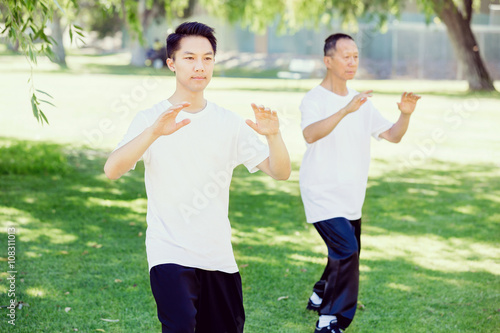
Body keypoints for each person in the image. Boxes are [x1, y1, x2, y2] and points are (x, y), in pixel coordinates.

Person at [104, 22, 291, 333]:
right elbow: (112, 169)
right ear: (171, 63)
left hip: (218, 256)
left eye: (207, 58)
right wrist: (153, 133)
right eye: (189, 58)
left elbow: (280, 172)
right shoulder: (152, 119)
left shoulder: (229, 122)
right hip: (169, 251)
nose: (199, 66)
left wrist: (274, 136)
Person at [299, 33, 421, 333]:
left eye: (355, 56)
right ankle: (331, 319)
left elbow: (392, 135)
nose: (352, 61)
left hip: (351, 195)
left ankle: (319, 293)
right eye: (346, 56)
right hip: (321, 191)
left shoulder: (361, 102)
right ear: (328, 61)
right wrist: (344, 110)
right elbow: (310, 135)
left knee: (347, 251)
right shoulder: (314, 99)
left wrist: (404, 116)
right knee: (347, 250)